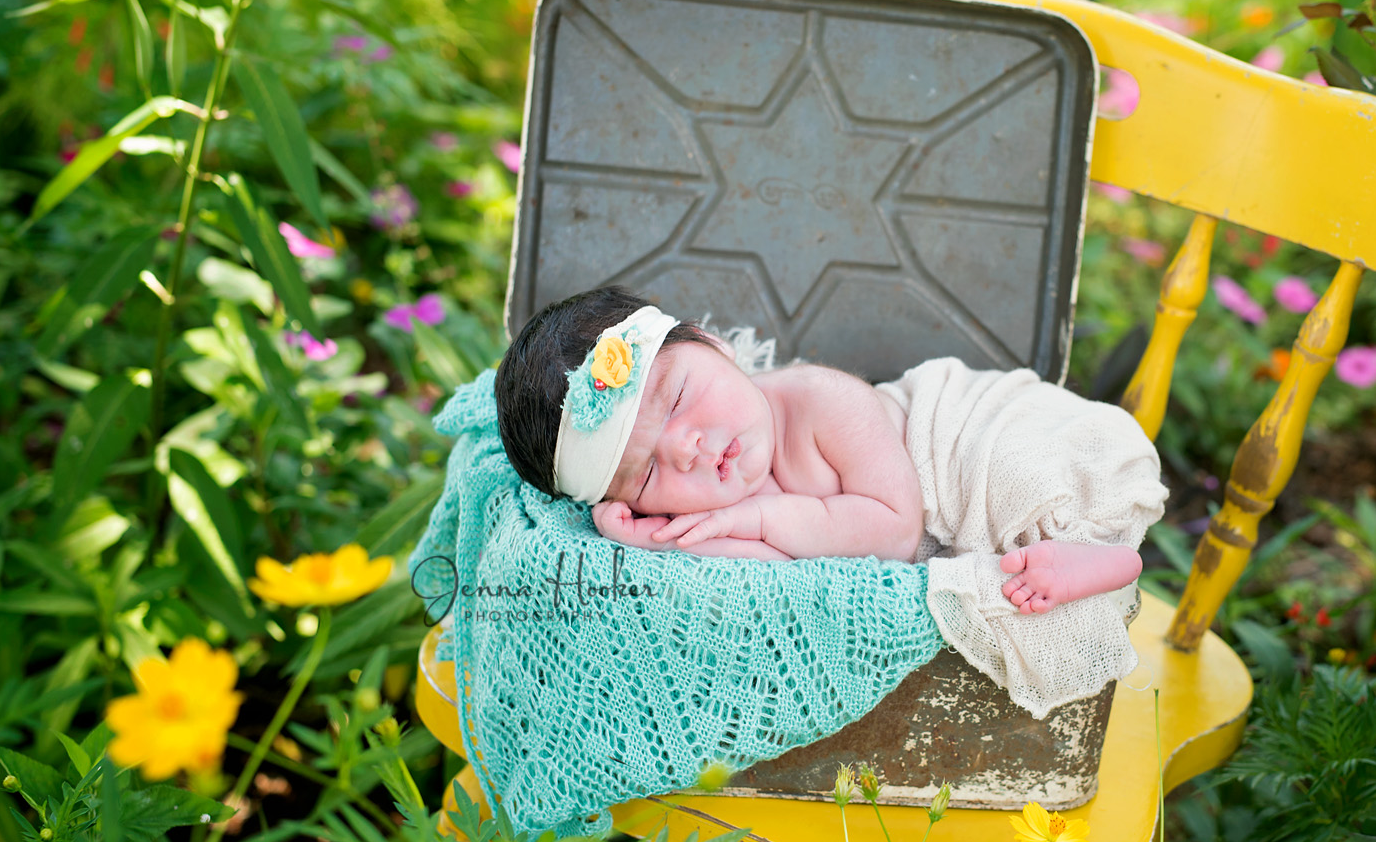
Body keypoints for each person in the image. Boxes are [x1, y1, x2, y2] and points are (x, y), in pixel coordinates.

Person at [494, 286, 1167, 715]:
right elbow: (761, 561)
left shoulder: (820, 399)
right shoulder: (710, 490)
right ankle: (1066, 564)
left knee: (1017, 481)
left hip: (978, 443)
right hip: (924, 518)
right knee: (999, 592)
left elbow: (896, 531)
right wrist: (644, 541)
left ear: (716, 345)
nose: (687, 447)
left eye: (676, 398)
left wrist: (757, 515)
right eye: (643, 475)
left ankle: (1100, 547)